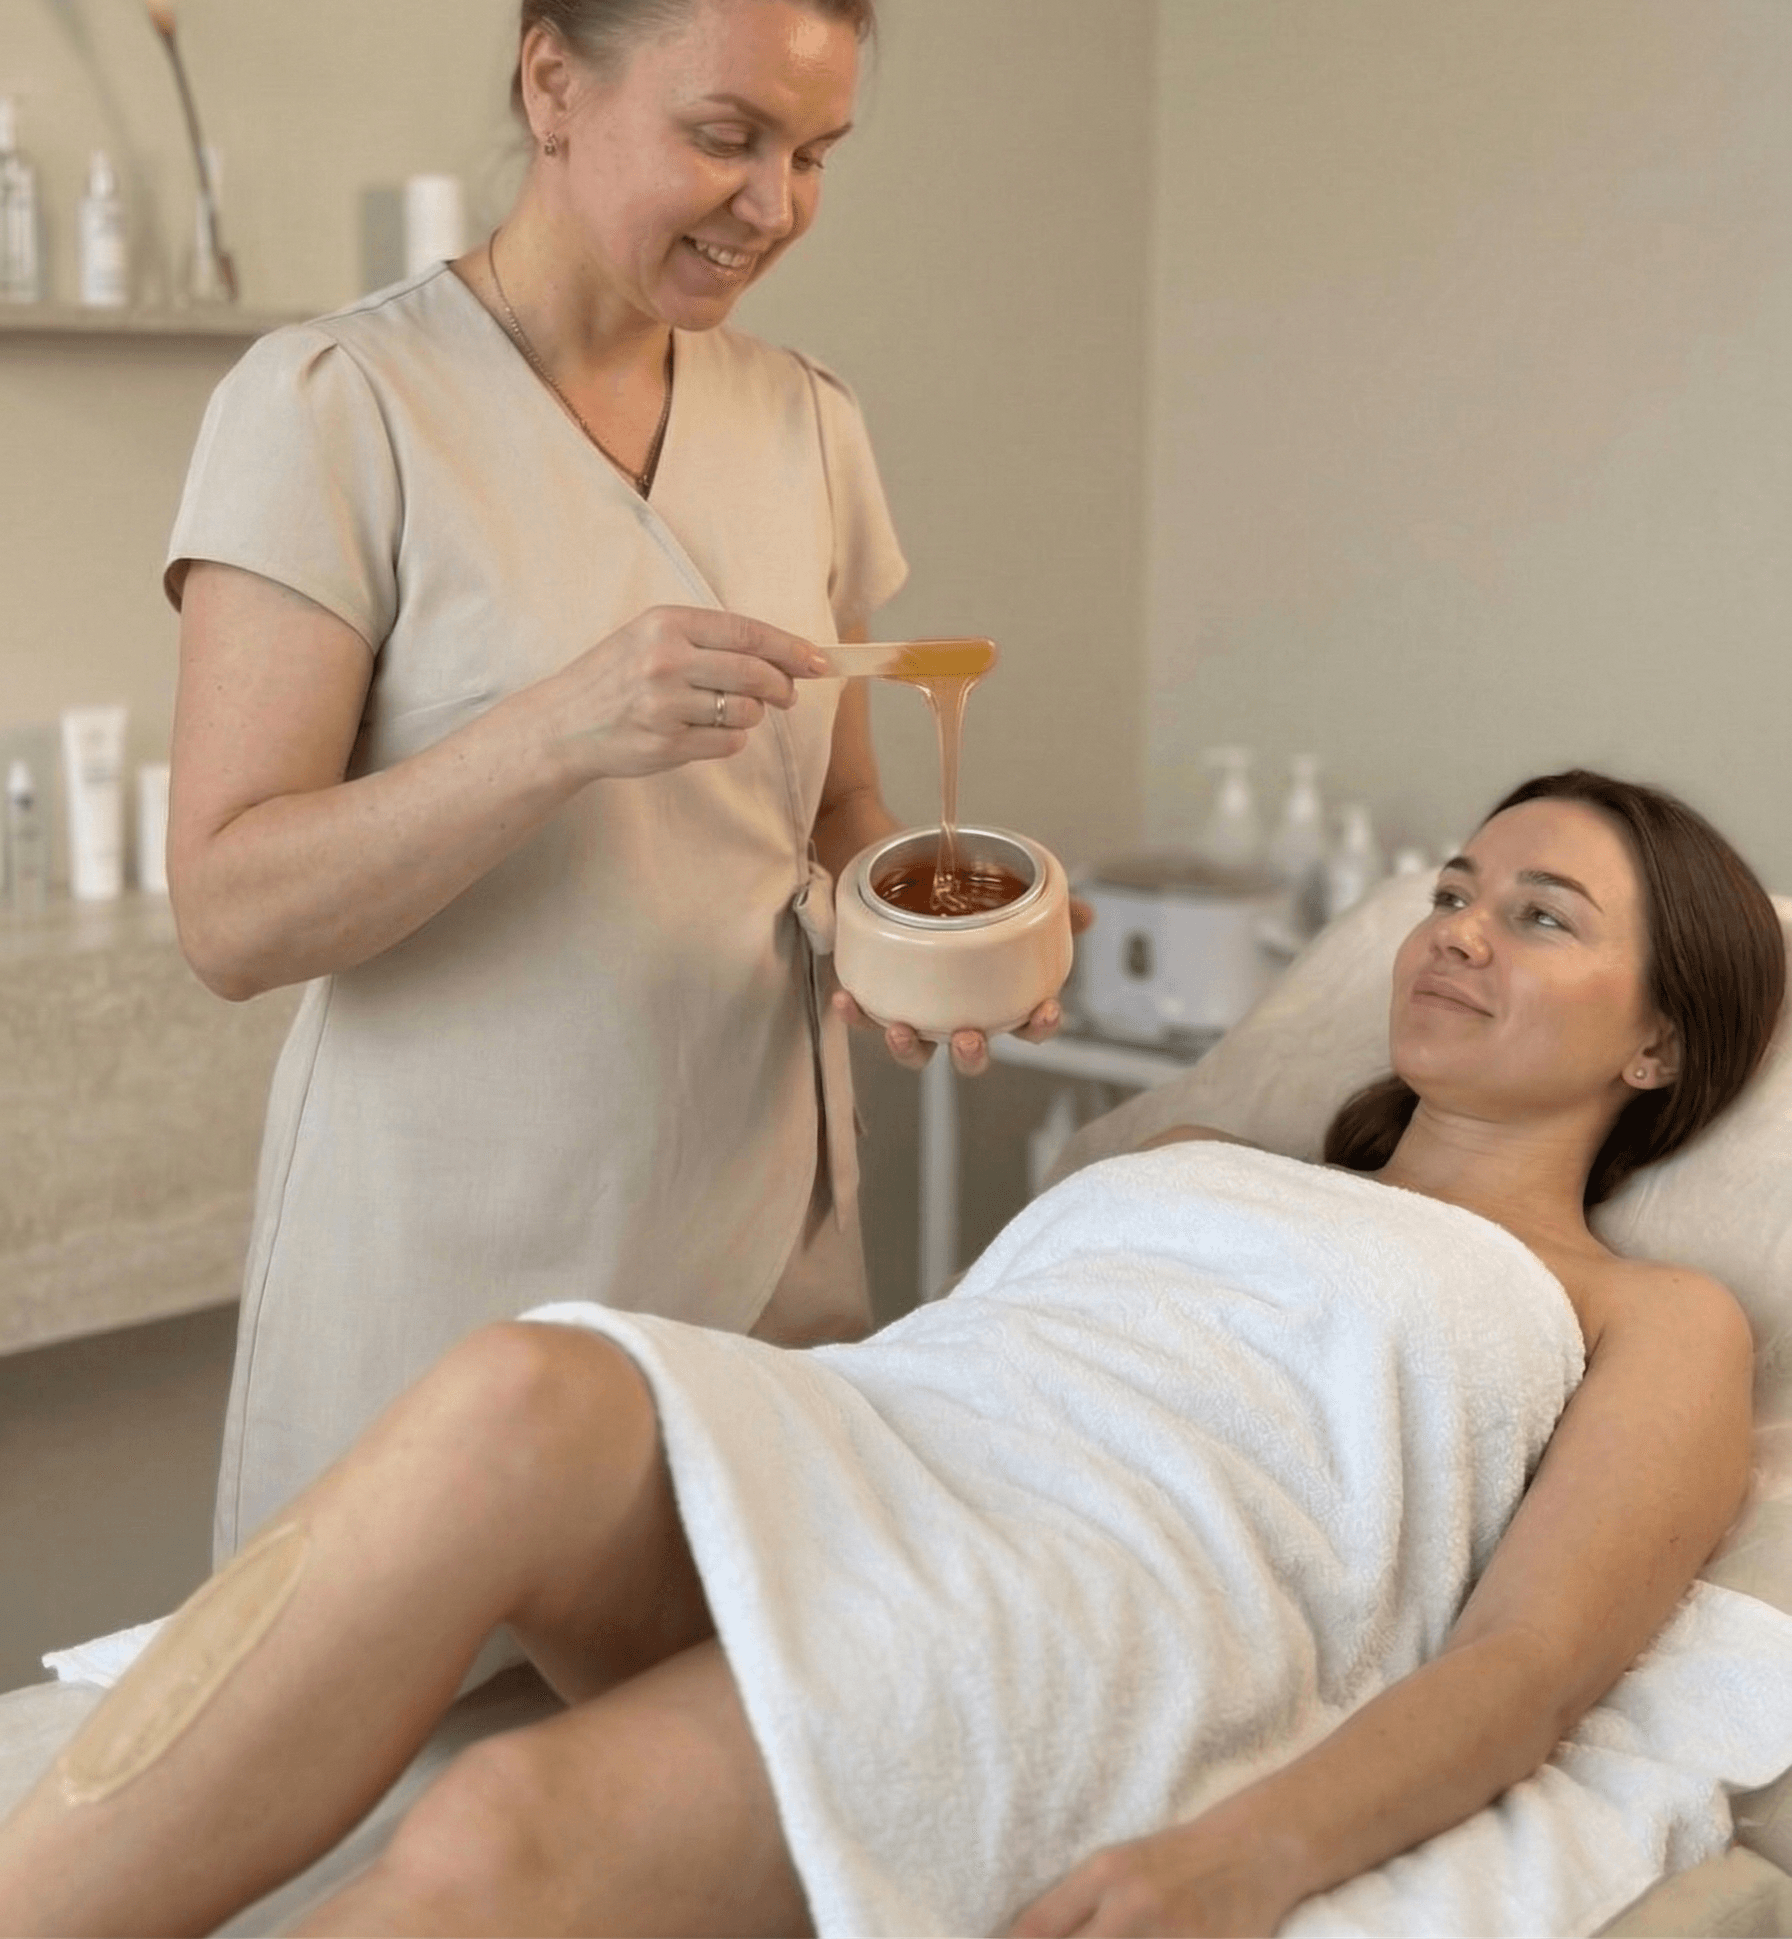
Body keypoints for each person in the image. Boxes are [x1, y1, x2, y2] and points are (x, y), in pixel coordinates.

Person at [0, 769, 1779, 1937]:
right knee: (527, 1381)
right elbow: (976, 1350)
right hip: (892, 1442)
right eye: (1457, 888)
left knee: (497, 1835)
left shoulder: (1645, 1314)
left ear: (1659, 1044)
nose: (1460, 925)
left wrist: (1237, 1859)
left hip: (1094, 1588)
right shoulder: (1196, 1158)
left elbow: (1533, 1664)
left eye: (1542, 915)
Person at [161, 0, 1064, 1564]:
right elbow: (227, 910)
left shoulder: (806, 419)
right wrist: (555, 726)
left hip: (766, 1255)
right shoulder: (335, 408)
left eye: (814, 156)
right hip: (449, 1284)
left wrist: (931, 946)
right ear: (552, 82)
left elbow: (835, 818)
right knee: (411, 1801)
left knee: (730, 1783)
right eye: (727, 135)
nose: (776, 202)